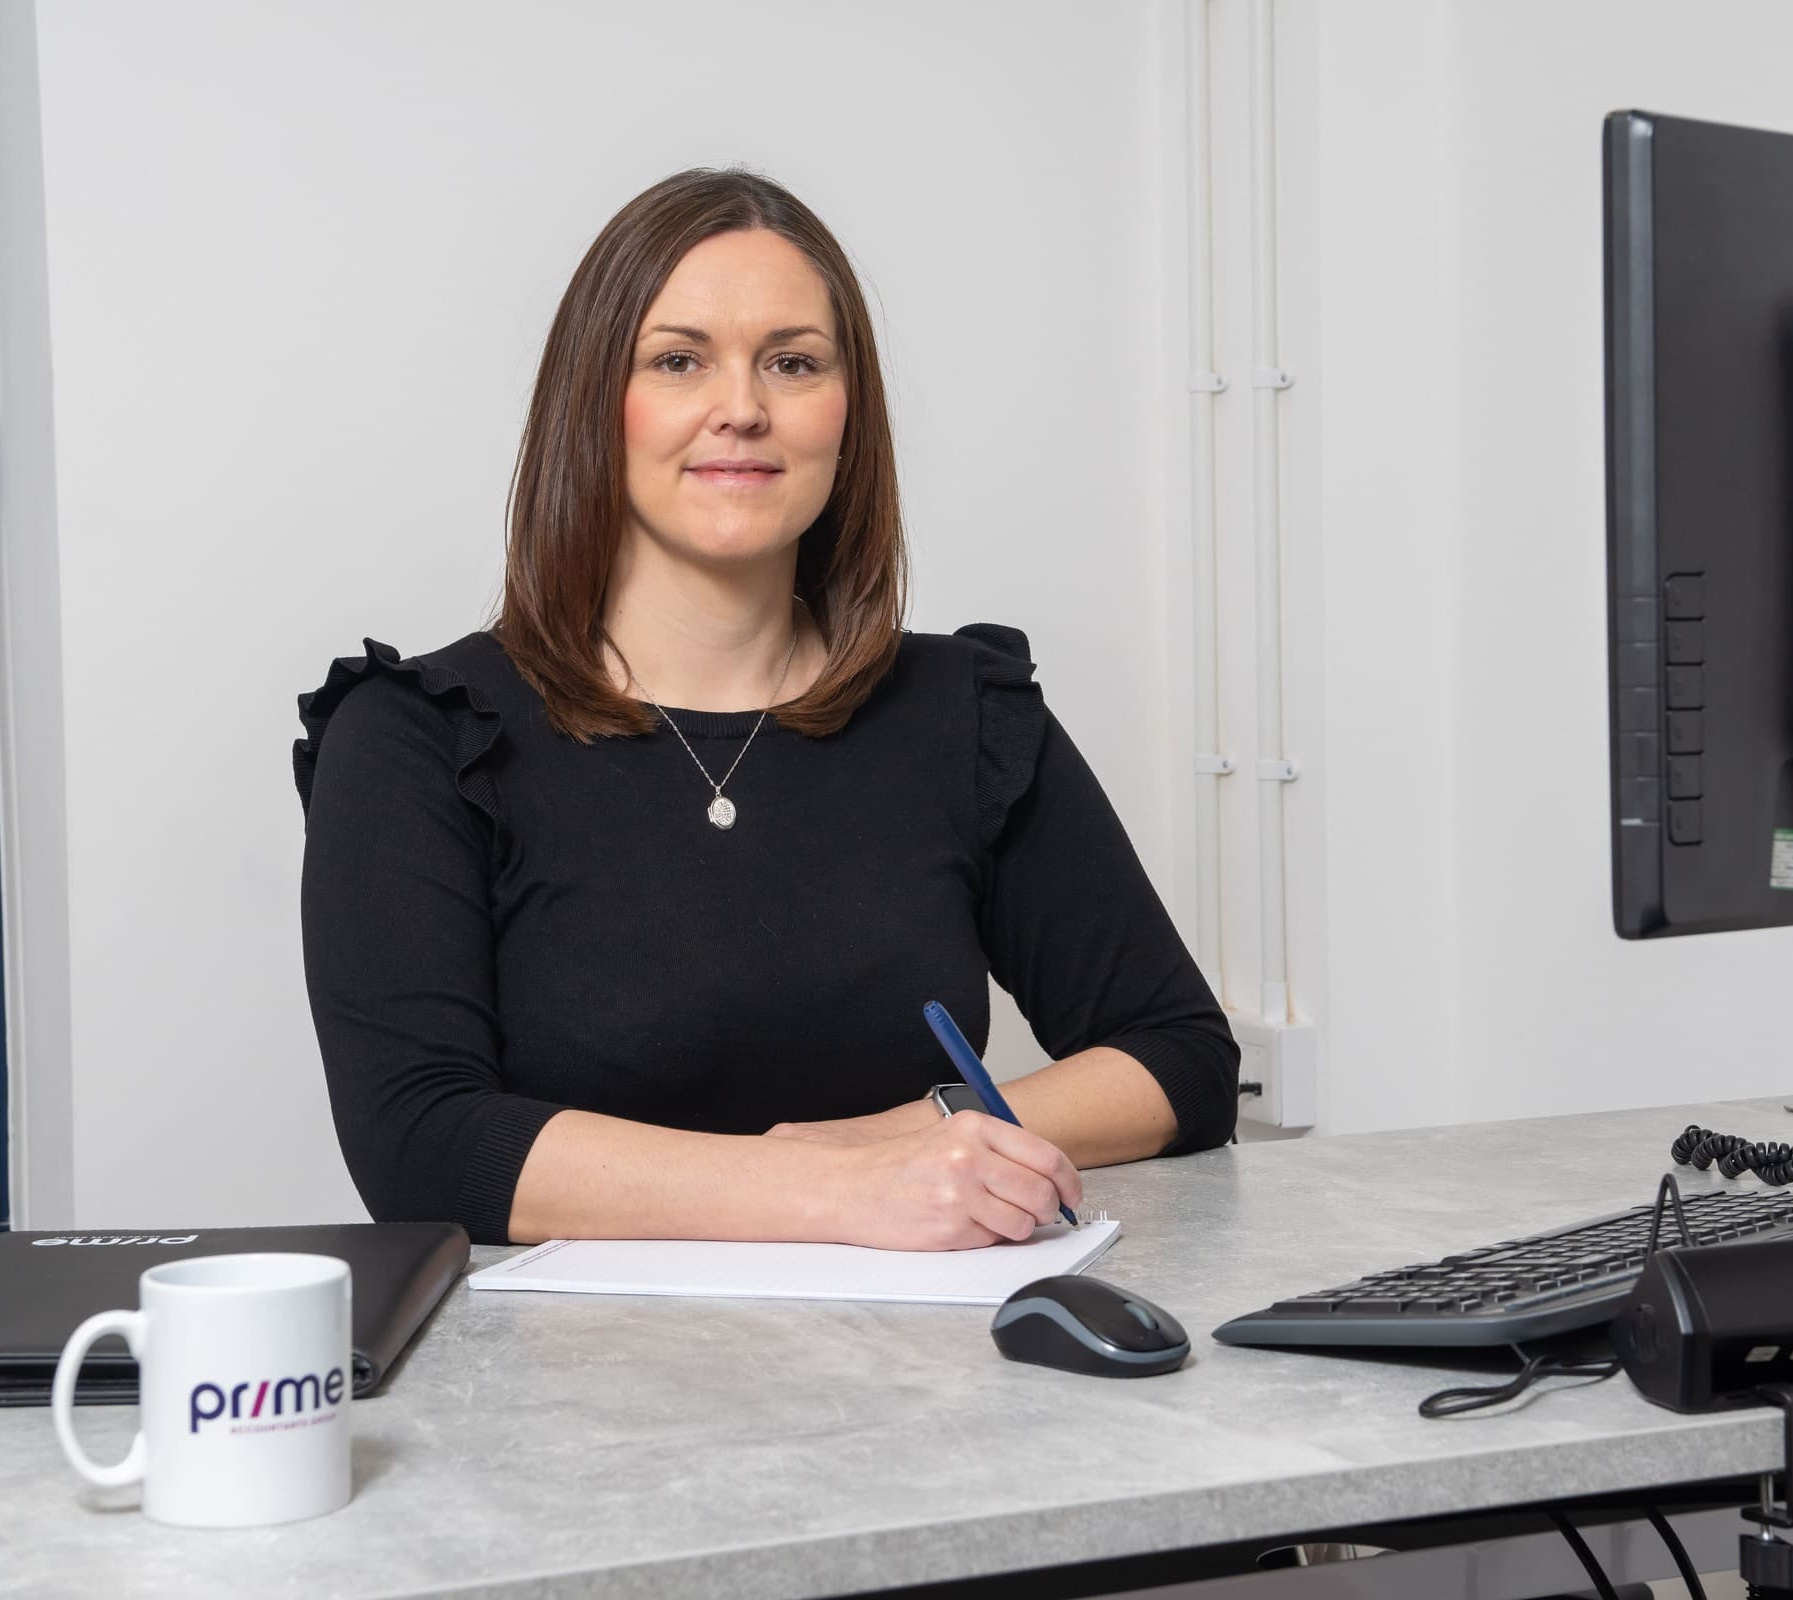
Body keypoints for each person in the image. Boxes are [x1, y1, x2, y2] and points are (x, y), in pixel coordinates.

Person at [294, 168, 1237, 1251]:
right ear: (594, 405)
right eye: (678, 359)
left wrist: (920, 1132)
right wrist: (840, 1193)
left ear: (850, 413)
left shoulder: (960, 714)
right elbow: (424, 1147)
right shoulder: (419, 738)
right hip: (566, 1402)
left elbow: (1179, 1055)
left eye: (793, 362)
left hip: (938, 1381)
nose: (741, 407)